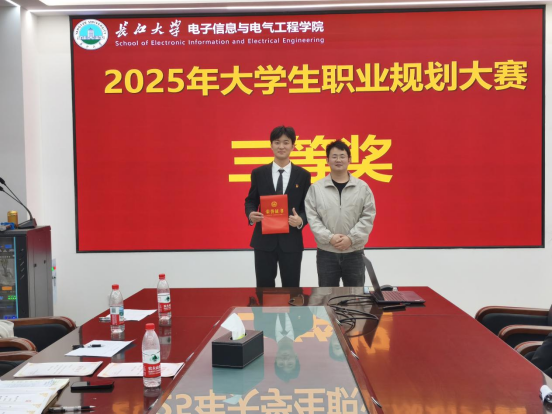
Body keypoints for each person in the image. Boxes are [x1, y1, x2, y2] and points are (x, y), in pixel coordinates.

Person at [245, 126, 311, 287]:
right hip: (264, 241)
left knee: (292, 289)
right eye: (277, 142)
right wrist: (251, 214)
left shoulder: (303, 175)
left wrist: (301, 220)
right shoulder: (259, 173)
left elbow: (308, 207)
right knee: (264, 289)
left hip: (291, 241)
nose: (281, 146)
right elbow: (251, 200)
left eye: (286, 142)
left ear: (293, 146)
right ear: (271, 145)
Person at [305, 140, 376, 287]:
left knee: (356, 297)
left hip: (355, 252)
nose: (338, 160)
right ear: (327, 160)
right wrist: (329, 238)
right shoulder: (316, 188)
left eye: (342, 156)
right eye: (334, 156)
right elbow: (312, 217)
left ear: (349, 159)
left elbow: (368, 216)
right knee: (327, 296)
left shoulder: (362, 187)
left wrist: (351, 239)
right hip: (326, 253)